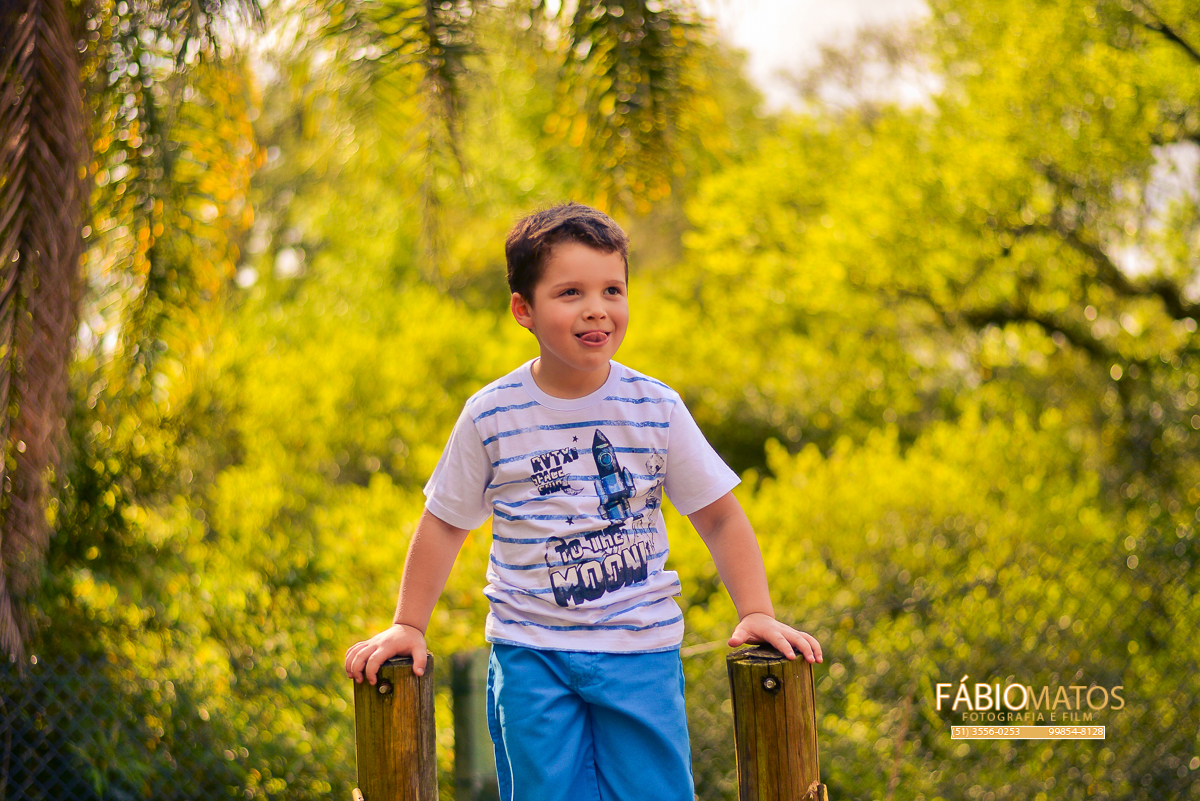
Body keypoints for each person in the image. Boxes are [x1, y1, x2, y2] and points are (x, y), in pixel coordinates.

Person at [344, 202, 822, 801]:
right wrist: (408, 624)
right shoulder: (491, 413)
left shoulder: (656, 406)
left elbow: (720, 514)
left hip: (639, 651)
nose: (597, 308)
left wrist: (754, 610)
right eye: (570, 292)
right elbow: (443, 523)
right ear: (525, 308)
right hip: (531, 654)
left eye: (613, 290)